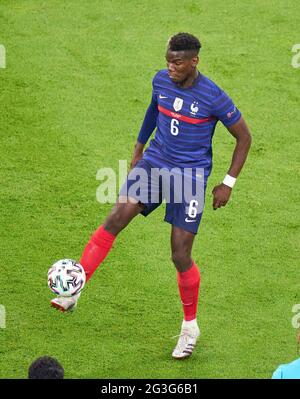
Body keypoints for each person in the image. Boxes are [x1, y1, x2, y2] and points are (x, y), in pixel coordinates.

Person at [51, 32, 252, 359]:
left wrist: (227, 183)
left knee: (179, 253)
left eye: (177, 62)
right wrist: (138, 149)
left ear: (194, 61)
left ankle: (190, 327)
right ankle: (75, 286)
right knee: (116, 217)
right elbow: (152, 110)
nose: (170, 67)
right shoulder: (161, 80)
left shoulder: (213, 96)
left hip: (189, 176)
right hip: (155, 163)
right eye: (168, 60)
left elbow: (244, 138)